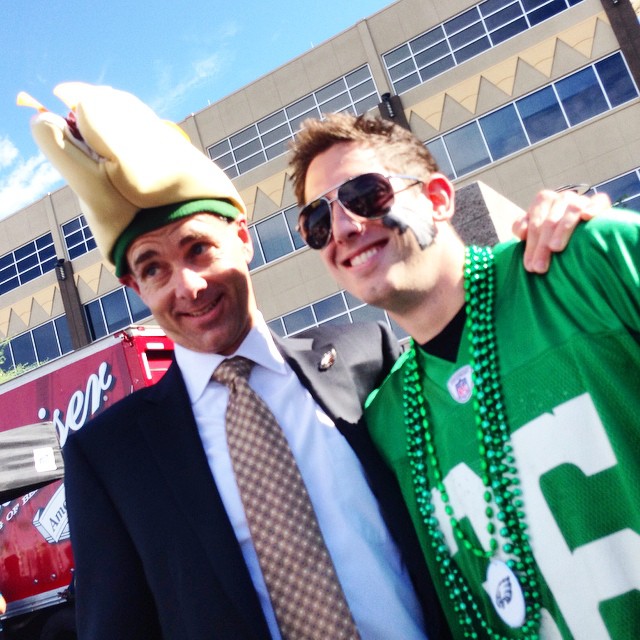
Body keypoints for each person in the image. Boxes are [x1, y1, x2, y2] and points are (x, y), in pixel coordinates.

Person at [27, 83, 602, 640]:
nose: (189, 285)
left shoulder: (367, 357)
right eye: (154, 269)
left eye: (199, 248)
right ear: (134, 286)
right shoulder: (110, 456)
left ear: (244, 238)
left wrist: (567, 232)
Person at [289, 112, 639, 639]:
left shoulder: (593, 261)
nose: (342, 228)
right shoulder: (389, 421)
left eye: (365, 194)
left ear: (437, 199)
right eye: (318, 222)